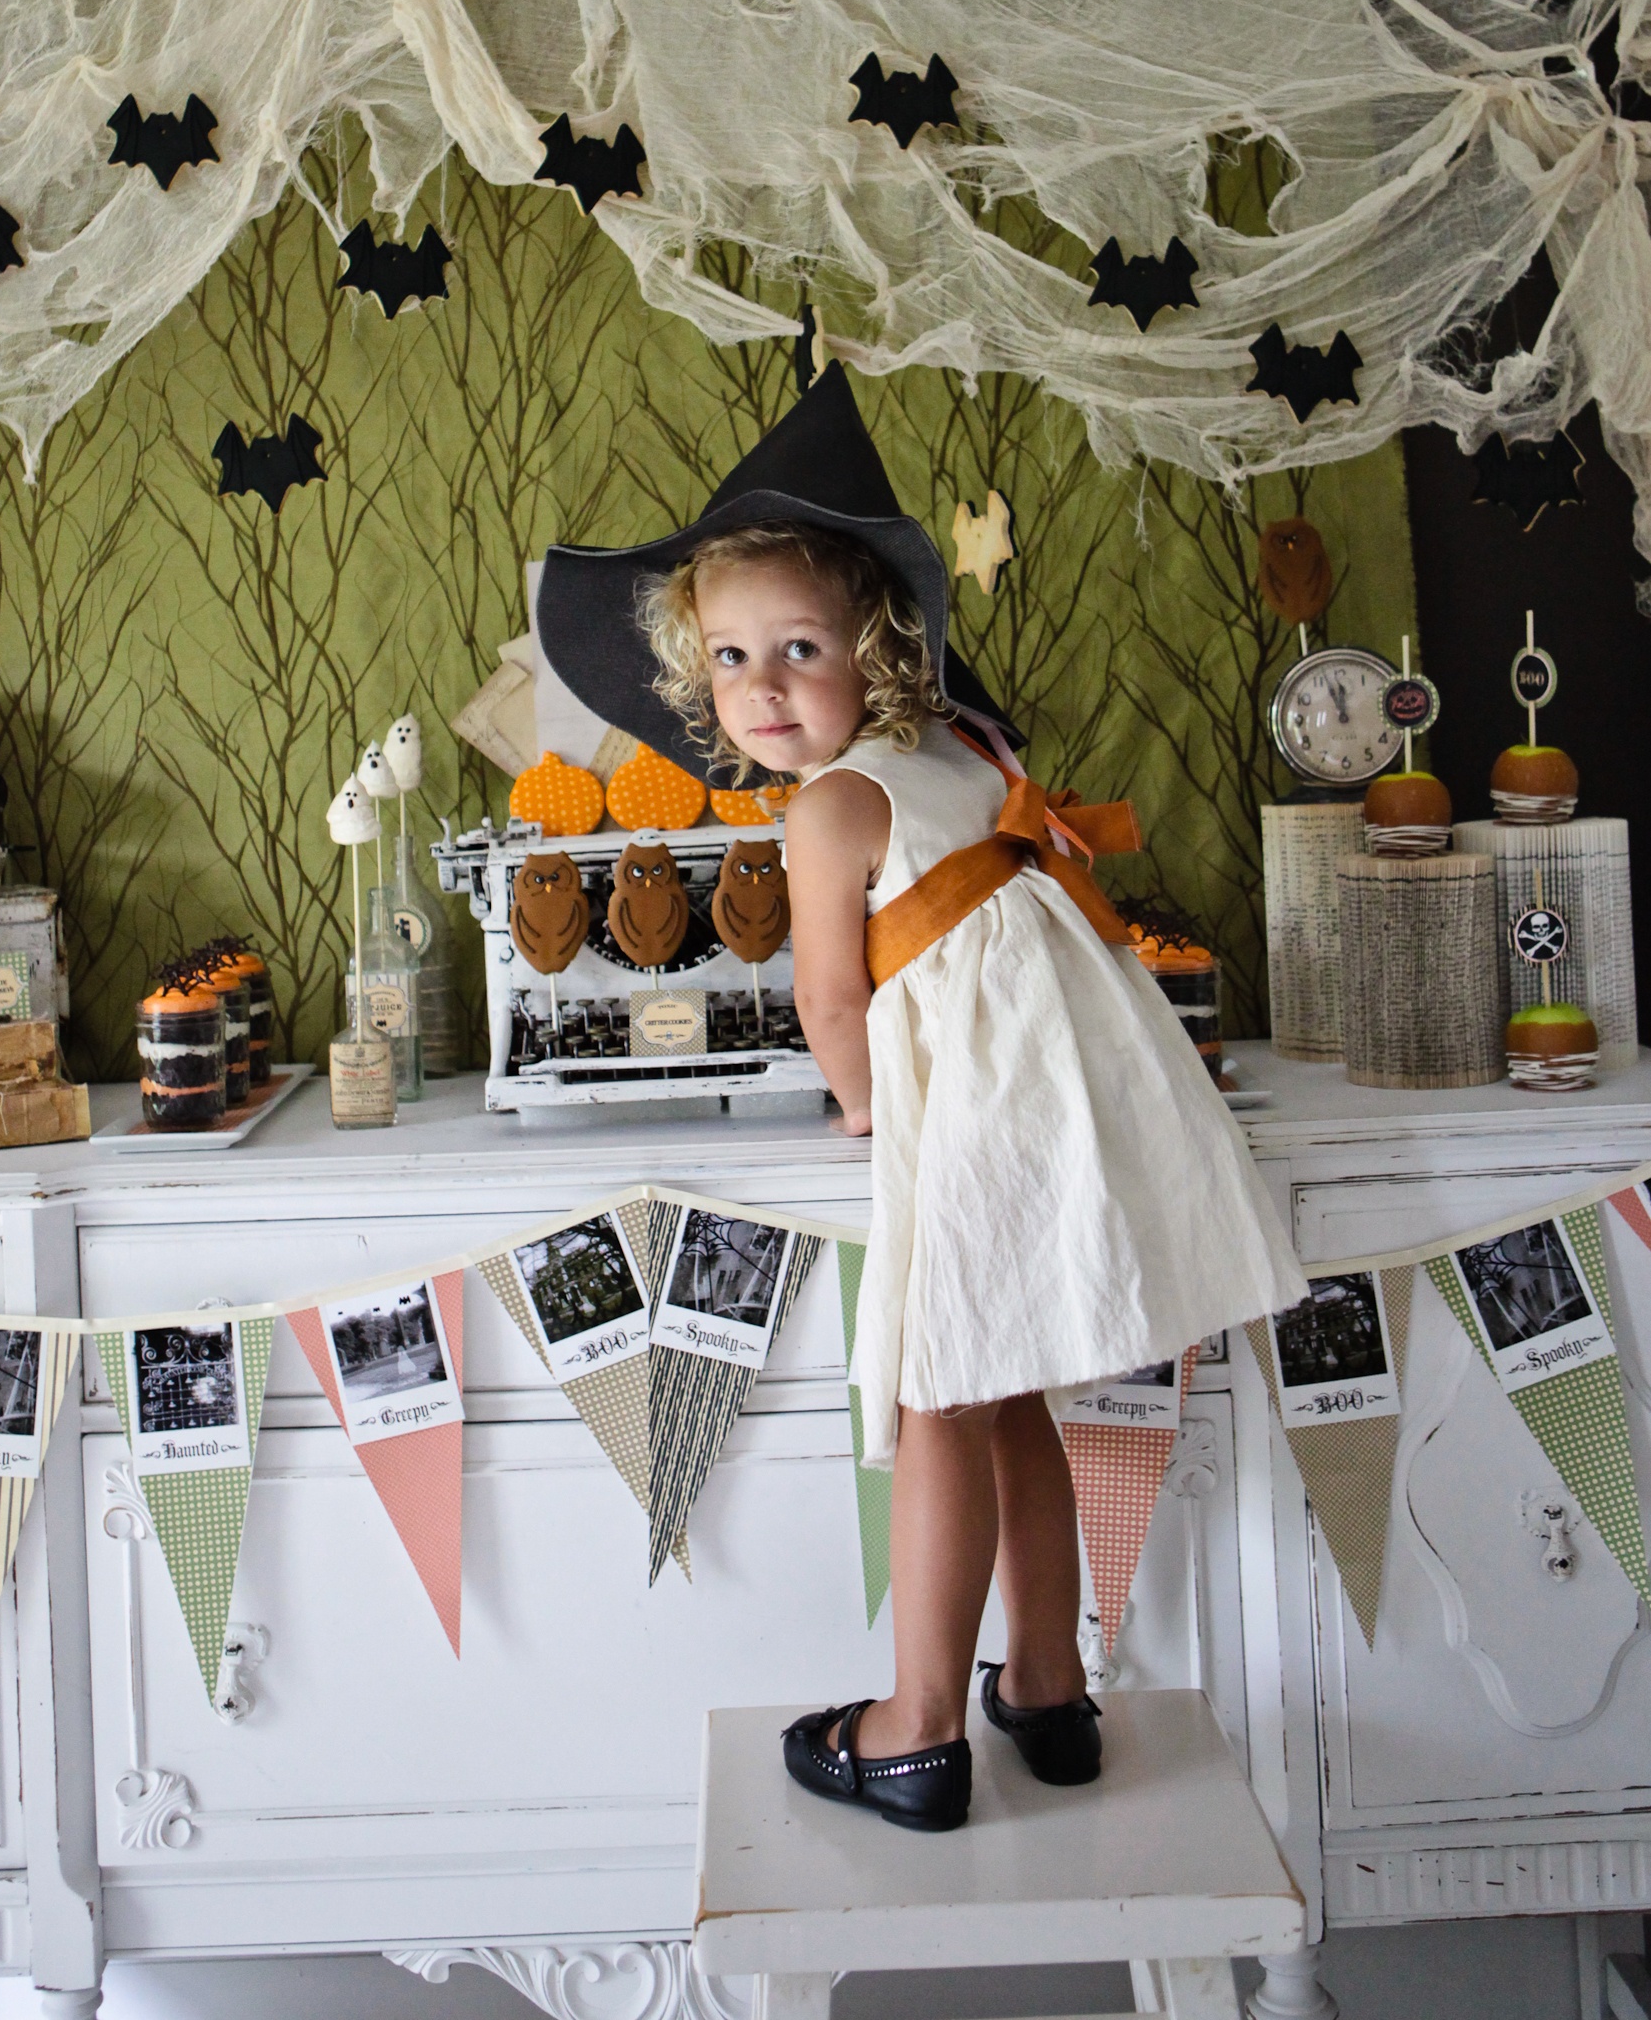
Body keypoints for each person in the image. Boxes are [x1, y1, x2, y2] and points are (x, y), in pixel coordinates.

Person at [538, 364, 1307, 1835]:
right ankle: (1047, 1689)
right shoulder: (965, 752)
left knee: (938, 1398)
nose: (761, 688)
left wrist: (854, 1103)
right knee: (1014, 1395)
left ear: (875, 645)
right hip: (1061, 1108)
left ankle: (911, 1728)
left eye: (799, 648)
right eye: (730, 659)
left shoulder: (836, 804)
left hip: (969, 1126)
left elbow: (833, 997)